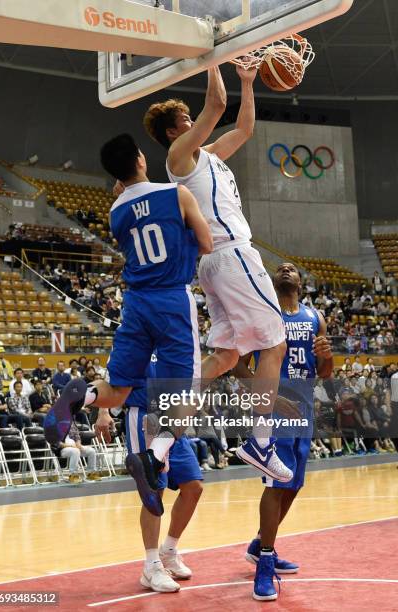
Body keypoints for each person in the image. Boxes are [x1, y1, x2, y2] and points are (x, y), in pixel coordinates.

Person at [44, 133, 212, 518]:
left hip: (135, 303)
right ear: (140, 158)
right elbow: (205, 243)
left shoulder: (116, 212)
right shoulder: (177, 195)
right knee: (185, 396)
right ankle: (152, 458)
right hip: (171, 299)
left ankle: (77, 399)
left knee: (117, 391)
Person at [143, 66, 291, 483]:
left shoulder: (206, 157)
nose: (195, 124)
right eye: (187, 122)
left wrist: (246, 80)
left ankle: (161, 437)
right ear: (174, 133)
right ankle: (261, 443)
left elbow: (243, 127)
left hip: (217, 265)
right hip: (232, 256)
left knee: (225, 357)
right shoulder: (179, 159)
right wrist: (215, 56)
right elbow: (217, 104)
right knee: (275, 344)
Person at [234, 262, 333, 601]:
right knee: (276, 484)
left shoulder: (314, 317)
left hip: (304, 410)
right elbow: (236, 363)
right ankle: (264, 563)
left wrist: (327, 357)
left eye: (292, 268)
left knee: (293, 485)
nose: (287, 269)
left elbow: (325, 371)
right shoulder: (264, 314)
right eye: (281, 268)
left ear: (301, 282)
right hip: (274, 412)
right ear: (274, 281)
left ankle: (260, 543)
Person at [125, 354, 203, 593]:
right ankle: (151, 566)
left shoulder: (175, 338)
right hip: (144, 417)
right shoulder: (134, 335)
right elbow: (115, 380)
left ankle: (168, 551)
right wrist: (104, 413)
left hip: (173, 419)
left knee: (193, 486)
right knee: (154, 489)